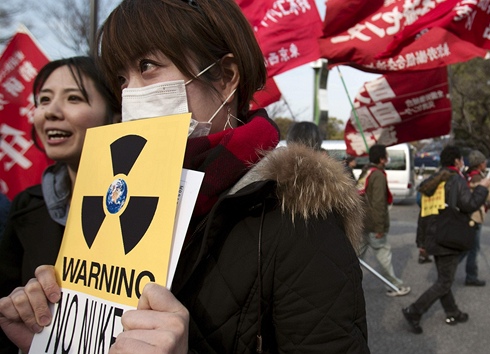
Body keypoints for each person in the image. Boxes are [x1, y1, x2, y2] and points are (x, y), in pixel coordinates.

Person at [0, 1, 369, 353]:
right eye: (120, 78)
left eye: (147, 66)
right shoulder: (117, 192)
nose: (130, 92)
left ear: (225, 77)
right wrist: (51, 336)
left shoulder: (299, 218)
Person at [0, 56, 121, 352]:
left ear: (115, 115)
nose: (50, 112)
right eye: (43, 100)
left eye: (73, 98)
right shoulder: (27, 207)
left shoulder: (155, 201)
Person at [402, 145, 490, 334]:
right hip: (449, 236)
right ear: (457, 161)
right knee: (444, 282)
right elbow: (469, 204)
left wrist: (422, 242)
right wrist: (482, 189)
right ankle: (414, 310)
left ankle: (452, 312)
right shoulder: (455, 180)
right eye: (461, 160)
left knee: (444, 278)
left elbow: (423, 214)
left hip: (433, 236)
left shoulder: (432, 180)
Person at [357, 144, 411, 297]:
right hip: (374, 224)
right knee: (383, 255)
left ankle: (344, 284)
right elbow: (379, 203)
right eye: (386, 156)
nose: (388, 159)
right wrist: (380, 228)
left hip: (362, 222)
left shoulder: (366, 172)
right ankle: (395, 286)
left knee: (355, 258)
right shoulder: (378, 175)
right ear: (382, 159)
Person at [460, 150, 490, 287]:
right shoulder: (477, 178)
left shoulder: (471, 176)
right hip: (474, 217)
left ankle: (454, 269)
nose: (485, 163)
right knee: (471, 248)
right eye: (483, 161)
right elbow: (485, 195)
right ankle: (469, 275)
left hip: (471, 214)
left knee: (469, 247)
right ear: (479, 164)